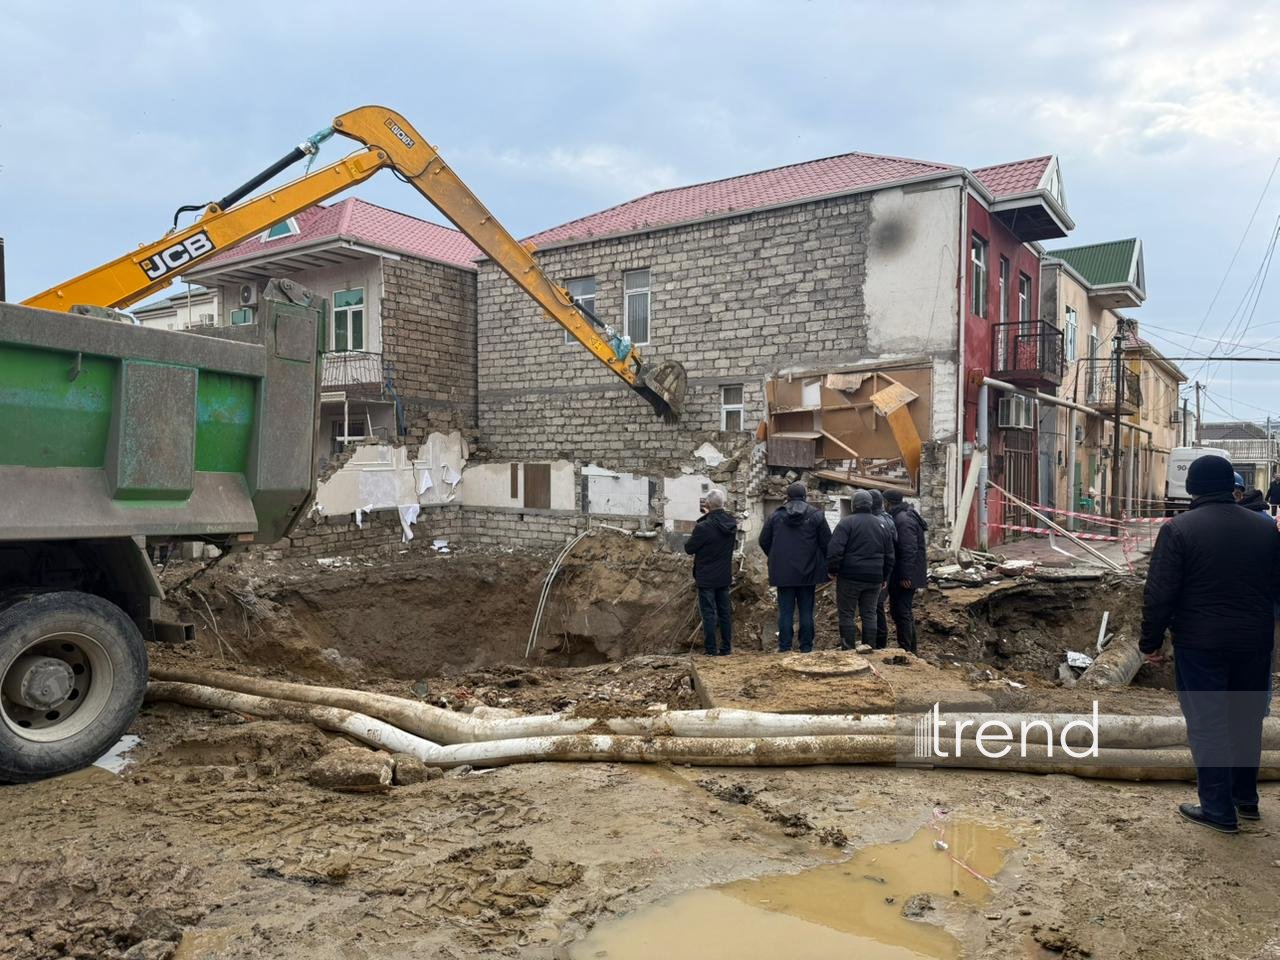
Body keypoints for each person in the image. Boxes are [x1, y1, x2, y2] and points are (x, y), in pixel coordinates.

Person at [1140, 454, 1280, 833]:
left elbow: (1160, 594)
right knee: (1246, 719)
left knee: (1208, 723)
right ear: (1230, 486)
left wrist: (1150, 642)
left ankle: (1218, 810)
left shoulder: (1179, 529)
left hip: (1200, 643)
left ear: (1193, 488)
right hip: (1254, 642)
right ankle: (1245, 800)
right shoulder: (1266, 528)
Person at [759, 482, 831, 653]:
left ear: (788, 496)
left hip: (783, 573)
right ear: (805, 496)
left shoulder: (775, 516)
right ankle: (806, 647)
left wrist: (776, 557)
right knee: (806, 611)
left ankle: (784, 647)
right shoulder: (816, 516)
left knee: (785, 611)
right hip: (809, 572)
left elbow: (763, 541)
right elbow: (827, 543)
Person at [827, 490, 894, 650]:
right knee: (869, 614)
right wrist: (884, 576)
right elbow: (890, 556)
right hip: (874, 579)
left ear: (853, 505)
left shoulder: (846, 523)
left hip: (850, 577)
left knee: (846, 614)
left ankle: (848, 649)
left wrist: (833, 570)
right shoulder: (882, 525)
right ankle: (869, 647)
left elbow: (835, 551)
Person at [684, 488, 737, 656]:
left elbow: (689, 548)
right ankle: (726, 648)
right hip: (723, 575)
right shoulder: (731, 524)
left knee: (708, 614)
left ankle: (711, 650)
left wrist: (705, 517)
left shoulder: (703, 527)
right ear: (723, 504)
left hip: (706, 576)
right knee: (724, 613)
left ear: (707, 504)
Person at [884, 489, 928, 655]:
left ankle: (908, 650)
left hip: (906, 576)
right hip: (906, 573)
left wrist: (905, 575)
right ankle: (909, 649)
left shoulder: (902, 520)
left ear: (888, 503)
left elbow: (908, 549)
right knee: (901, 611)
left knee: (902, 612)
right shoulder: (904, 516)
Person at [870, 490, 898, 649]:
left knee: (875, 607)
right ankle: (878, 641)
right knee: (876, 606)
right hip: (883, 569)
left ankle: (878, 642)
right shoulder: (888, 520)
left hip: (878, 570)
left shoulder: (878, 521)